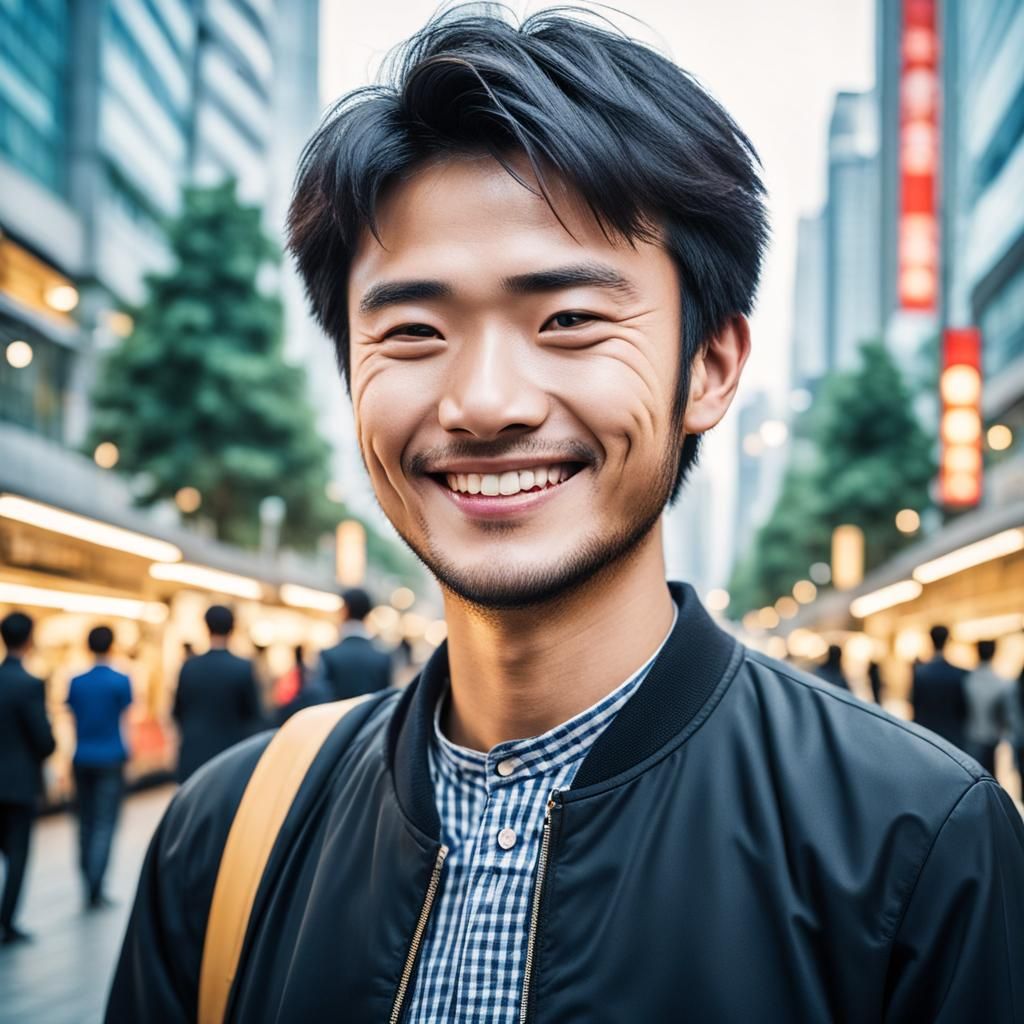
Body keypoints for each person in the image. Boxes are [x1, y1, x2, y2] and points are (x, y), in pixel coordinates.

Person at [108, 10, 1024, 1021]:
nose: (485, 401)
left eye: (570, 320)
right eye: (412, 329)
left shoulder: (918, 843)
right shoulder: (228, 834)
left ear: (709, 368)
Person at [66, 625, 133, 909]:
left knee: (84, 821)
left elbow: (73, 716)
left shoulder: (76, 682)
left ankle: (86, 879)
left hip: (82, 756)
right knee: (105, 822)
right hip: (111, 756)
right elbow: (125, 714)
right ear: (112, 646)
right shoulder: (121, 681)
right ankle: (96, 883)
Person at [0, 612, 55, 945]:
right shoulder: (30, 684)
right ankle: (7, 921)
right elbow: (43, 740)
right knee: (18, 854)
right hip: (19, 785)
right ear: (30, 638)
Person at [172, 605, 262, 783]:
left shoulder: (189, 667)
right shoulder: (243, 668)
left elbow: (177, 712)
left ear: (206, 627)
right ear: (232, 629)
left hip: (193, 754)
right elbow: (253, 716)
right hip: (231, 756)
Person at [316, 588, 392, 700]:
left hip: (338, 717)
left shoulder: (328, 655)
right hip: (370, 717)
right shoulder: (383, 658)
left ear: (345, 609)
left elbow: (321, 698)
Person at [911, 624, 969, 751]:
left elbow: (915, 706)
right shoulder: (959, 674)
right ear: (948, 640)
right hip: (953, 737)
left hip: (927, 735)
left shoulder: (920, 673)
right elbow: (963, 710)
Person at [963, 639, 1012, 775]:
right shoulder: (1002, 683)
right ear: (994, 653)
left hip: (970, 734)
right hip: (993, 736)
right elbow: (1005, 715)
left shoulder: (967, 680)